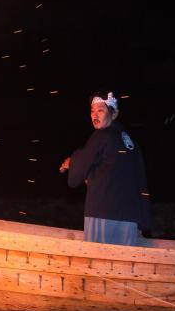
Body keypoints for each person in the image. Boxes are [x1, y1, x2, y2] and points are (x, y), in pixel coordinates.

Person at [59, 90, 151, 246]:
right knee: (123, 265)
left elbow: (75, 178)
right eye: (92, 111)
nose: (95, 115)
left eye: (100, 111)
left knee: (98, 265)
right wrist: (143, 222)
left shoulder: (101, 136)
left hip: (103, 217)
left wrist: (72, 162)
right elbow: (135, 181)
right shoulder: (131, 143)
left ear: (114, 114)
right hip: (130, 220)